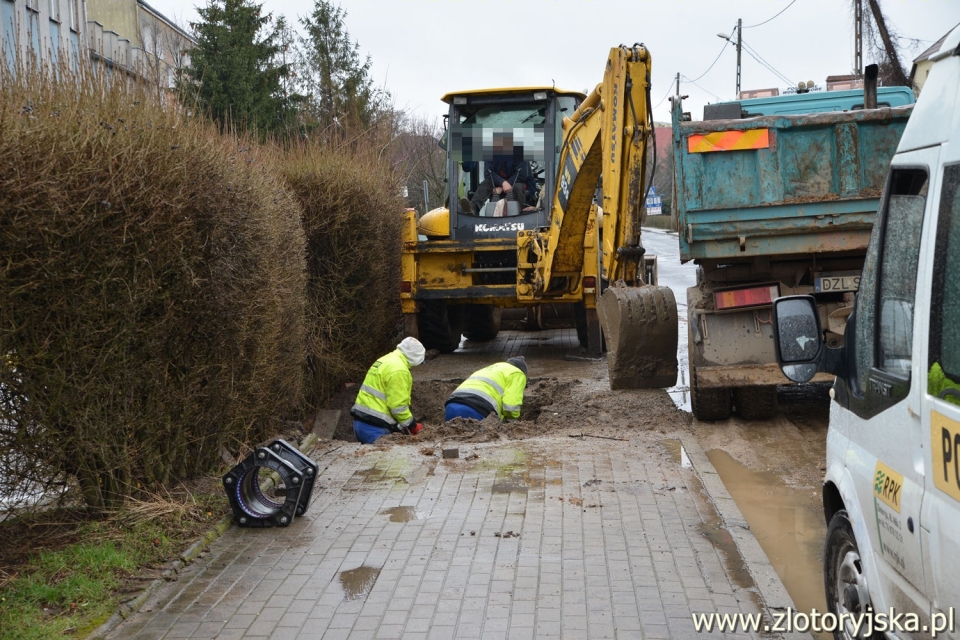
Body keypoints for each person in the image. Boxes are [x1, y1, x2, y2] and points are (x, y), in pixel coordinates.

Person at [351, 337, 426, 444]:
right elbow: (398, 407)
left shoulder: (384, 360)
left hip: (360, 423)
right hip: (376, 427)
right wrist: (412, 425)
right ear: (415, 358)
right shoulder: (400, 370)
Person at [460, 132, 537, 215]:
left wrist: (504, 185)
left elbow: (522, 174)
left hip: (516, 182)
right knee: (486, 184)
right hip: (496, 184)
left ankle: (522, 213)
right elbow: (488, 173)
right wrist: (502, 183)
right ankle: (472, 208)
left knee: (517, 188)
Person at [444, 356, 528, 422]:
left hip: (450, 407)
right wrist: (511, 423)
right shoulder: (517, 373)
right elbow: (511, 406)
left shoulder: (492, 368)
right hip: (477, 410)